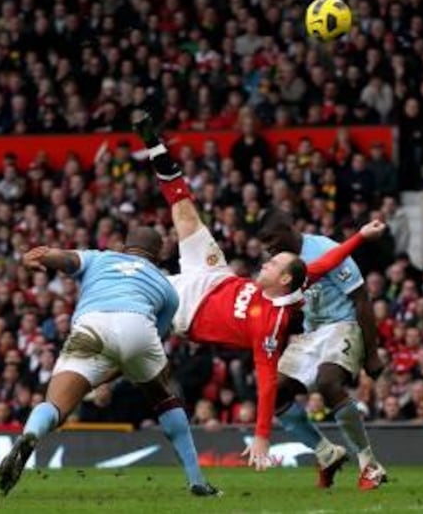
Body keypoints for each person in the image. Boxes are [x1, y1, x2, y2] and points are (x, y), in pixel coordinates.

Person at [131, 111, 386, 471]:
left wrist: (262, 436)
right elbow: (326, 262)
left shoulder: (270, 324)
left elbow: (265, 383)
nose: (265, 260)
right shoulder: (295, 276)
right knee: (185, 211)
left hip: (183, 307)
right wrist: (361, 235)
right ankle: (154, 144)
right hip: (214, 276)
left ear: (283, 279)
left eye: (273, 260)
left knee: (127, 294)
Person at [0, 229, 218, 497]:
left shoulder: (100, 258)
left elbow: (64, 259)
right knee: (164, 398)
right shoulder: (167, 288)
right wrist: (106, 378)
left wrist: (41, 257)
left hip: (92, 324)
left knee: (54, 405)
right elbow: (137, 351)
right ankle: (196, 479)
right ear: (159, 254)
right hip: (138, 325)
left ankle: (30, 435)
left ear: (124, 247)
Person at [256, 210, 388, 490]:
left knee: (328, 382)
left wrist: (372, 353)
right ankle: (326, 454)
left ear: (289, 228)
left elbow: (361, 298)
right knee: (274, 391)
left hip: (344, 325)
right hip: (311, 332)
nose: (268, 247)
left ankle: (368, 463)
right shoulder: (280, 264)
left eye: (271, 239)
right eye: (263, 242)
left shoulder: (323, 249)